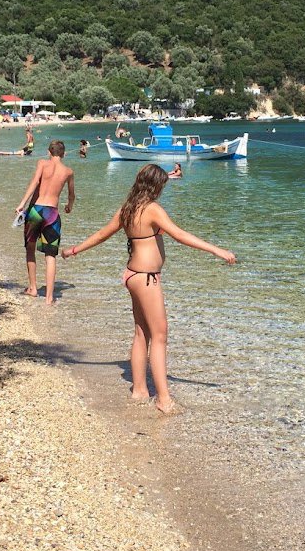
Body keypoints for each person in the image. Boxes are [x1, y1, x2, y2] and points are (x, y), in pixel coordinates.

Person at [62, 164, 235, 414]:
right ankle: (164, 399)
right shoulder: (152, 209)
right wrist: (216, 250)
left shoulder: (128, 209)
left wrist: (74, 249)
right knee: (160, 335)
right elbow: (180, 235)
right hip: (146, 278)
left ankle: (139, 390)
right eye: (162, 186)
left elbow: (101, 235)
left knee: (142, 333)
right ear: (155, 186)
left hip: (133, 275)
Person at [15, 140, 74, 304]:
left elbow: (34, 183)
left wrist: (22, 204)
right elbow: (71, 194)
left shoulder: (42, 163)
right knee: (50, 255)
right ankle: (49, 298)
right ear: (63, 154)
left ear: (49, 152)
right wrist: (69, 206)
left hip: (36, 210)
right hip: (52, 214)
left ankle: (33, 288)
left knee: (30, 248)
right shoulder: (68, 171)